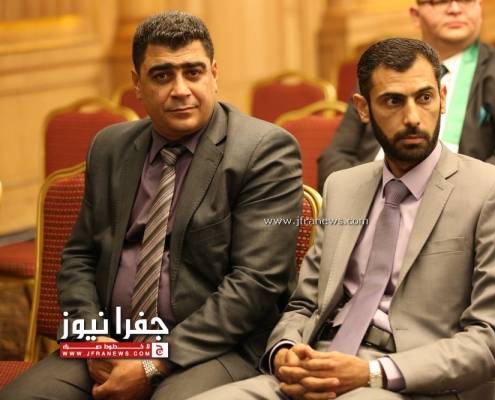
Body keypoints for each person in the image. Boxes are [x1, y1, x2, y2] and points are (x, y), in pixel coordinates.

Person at [190, 37, 495, 400]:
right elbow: (305, 304)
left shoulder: (491, 190)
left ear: (443, 98)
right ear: (363, 109)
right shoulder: (343, 187)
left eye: (424, 98)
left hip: (418, 382)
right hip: (321, 364)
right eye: (393, 101)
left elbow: (492, 339)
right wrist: (285, 351)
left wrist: (372, 373)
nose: (413, 117)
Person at [0, 11, 303, 400]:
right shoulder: (110, 147)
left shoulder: (263, 150)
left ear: (214, 74)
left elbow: (256, 283)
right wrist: (92, 337)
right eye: (162, 75)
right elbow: (79, 257)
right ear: (137, 83)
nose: (180, 90)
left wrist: (152, 361)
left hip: (215, 348)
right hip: (112, 340)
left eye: (193, 72)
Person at [318, 0, 495, 194]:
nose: (455, 9)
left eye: (466, 0)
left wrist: (439, 197)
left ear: (480, 8)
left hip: (463, 208)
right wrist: (365, 198)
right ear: (415, 15)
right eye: (440, 1)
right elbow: (335, 156)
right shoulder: (382, 74)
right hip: (377, 197)